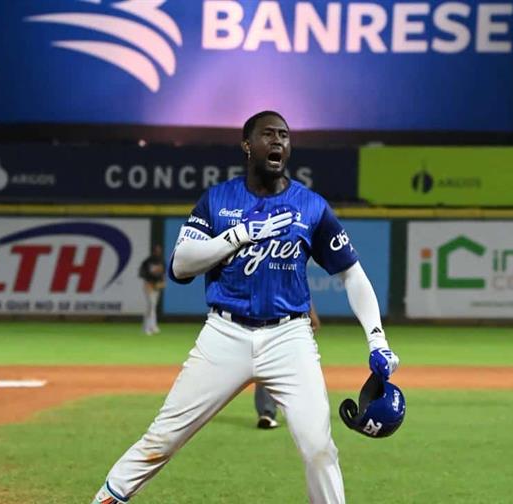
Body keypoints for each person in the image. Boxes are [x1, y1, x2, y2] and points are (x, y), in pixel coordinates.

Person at [91, 111, 399, 504]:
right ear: (246, 145)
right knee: (164, 436)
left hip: (289, 337)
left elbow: (353, 275)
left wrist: (377, 339)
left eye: (284, 136)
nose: (277, 141)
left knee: (319, 446)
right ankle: (105, 498)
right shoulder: (218, 200)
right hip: (225, 334)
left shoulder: (311, 207)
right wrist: (235, 236)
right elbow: (180, 265)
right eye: (267, 134)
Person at [255, 303, 320, 429]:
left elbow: (299, 284)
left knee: (274, 363)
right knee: (269, 362)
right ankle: (268, 412)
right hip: (269, 319)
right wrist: (311, 312)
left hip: (285, 320)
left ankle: (270, 412)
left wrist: (311, 312)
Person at [138, 244, 165, 335]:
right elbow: (142, 273)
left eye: (159, 250)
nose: (158, 252)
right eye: (156, 250)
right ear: (153, 251)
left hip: (156, 286)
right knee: (151, 306)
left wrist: (162, 282)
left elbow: (163, 274)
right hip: (149, 286)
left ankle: (152, 326)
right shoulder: (148, 261)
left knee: (153, 307)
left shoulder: (161, 261)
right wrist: (147, 283)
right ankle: (147, 328)